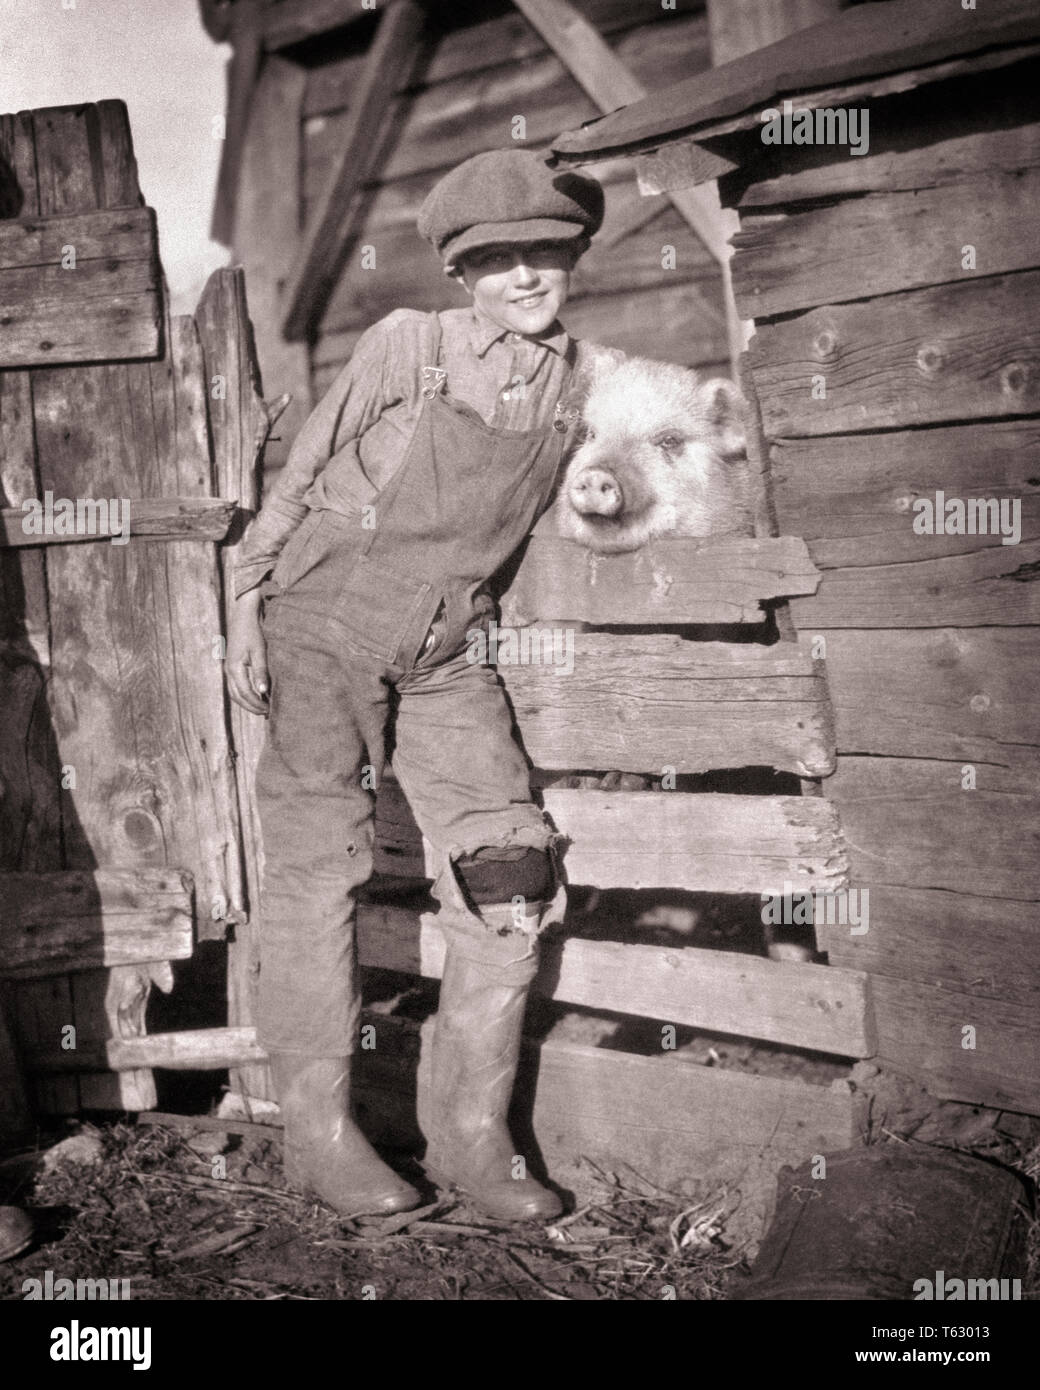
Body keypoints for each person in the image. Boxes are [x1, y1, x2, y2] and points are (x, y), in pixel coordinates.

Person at [225, 148, 610, 1223]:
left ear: (571, 256)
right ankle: (319, 1133)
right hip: (321, 625)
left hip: (450, 651)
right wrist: (243, 604)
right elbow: (301, 473)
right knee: (318, 869)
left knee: (512, 870)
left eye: (543, 253)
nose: (525, 277)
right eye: (498, 260)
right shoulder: (409, 345)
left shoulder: (583, 383)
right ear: (460, 270)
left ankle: (475, 1141)